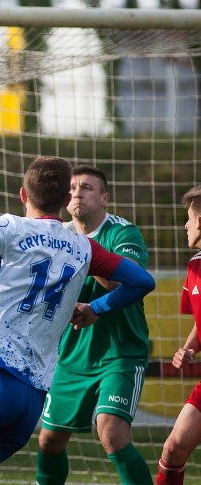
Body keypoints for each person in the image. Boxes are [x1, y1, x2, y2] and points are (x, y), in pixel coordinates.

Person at [0, 156, 157, 485]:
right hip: (29, 402)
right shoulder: (84, 245)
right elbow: (143, 282)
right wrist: (97, 308)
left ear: (24, 195)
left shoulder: (12, 227)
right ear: (66, 201)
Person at [36, 165, 152, 484]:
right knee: (49, 441)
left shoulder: (123, 233)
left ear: (104, 198)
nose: (76, 192)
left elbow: (122, 282)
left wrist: (85, 253)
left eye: (86, 187)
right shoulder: (55, 234)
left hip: (120, 353)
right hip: (72, 356)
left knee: (112, 432)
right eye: (72, 187)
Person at [154, 185, 201, 485]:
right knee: (173, 449)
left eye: (189, 218)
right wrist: (188, 348)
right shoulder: (195, 266)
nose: (186, 225)